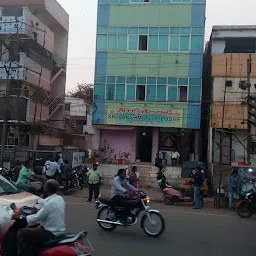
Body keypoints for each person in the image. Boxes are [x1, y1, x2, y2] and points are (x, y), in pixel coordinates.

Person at [16, 179, 65, 256]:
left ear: (47, 189)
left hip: (50, 231)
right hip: (58, 229)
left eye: (45, 186)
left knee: (21, 233)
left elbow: (38, 217)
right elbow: (43, 203)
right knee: (34, 230)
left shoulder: (49, 203)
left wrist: (23, 218)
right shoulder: (59, 199)